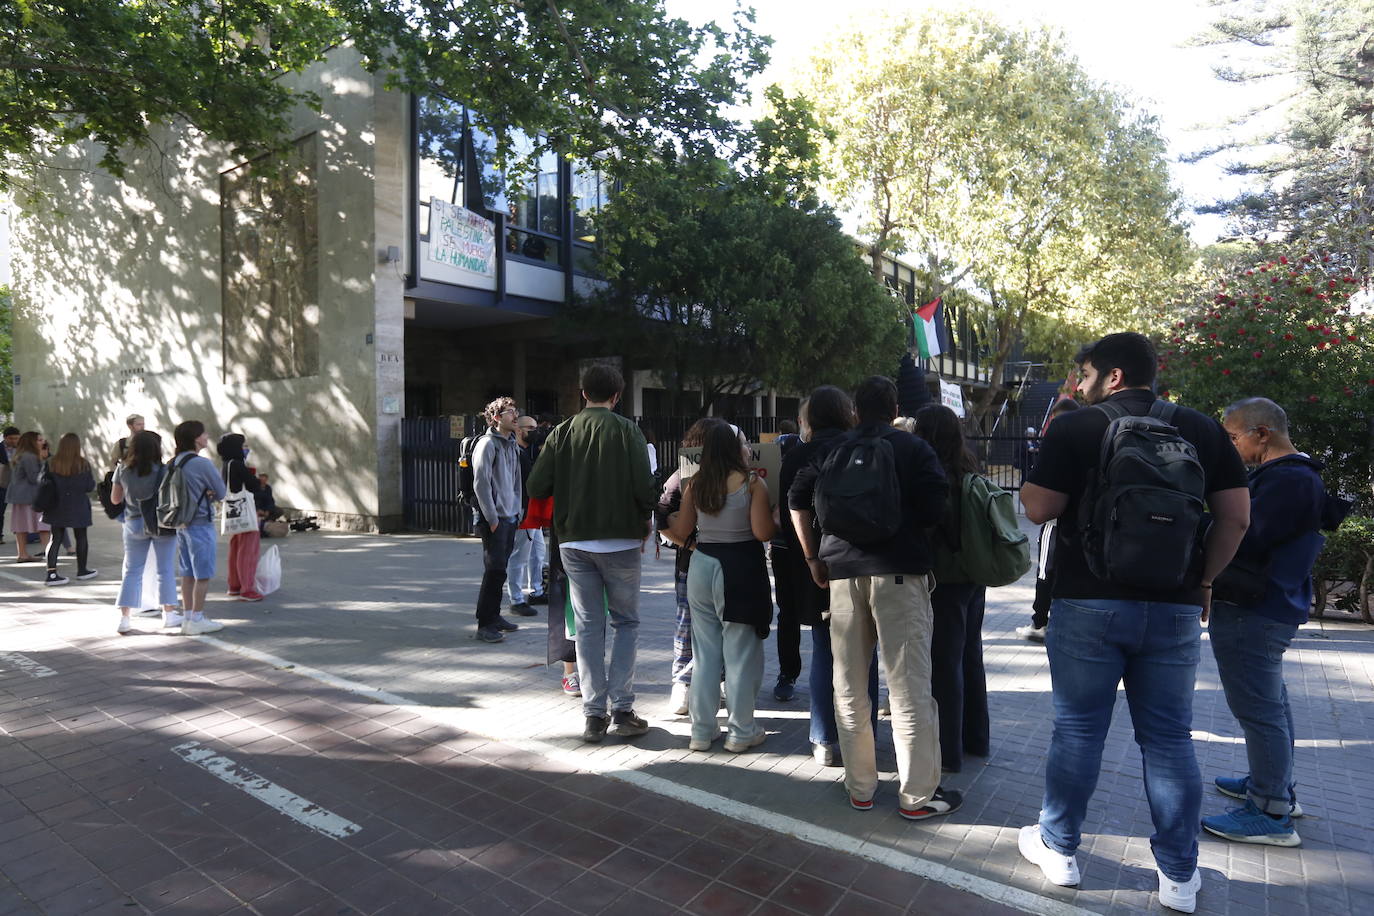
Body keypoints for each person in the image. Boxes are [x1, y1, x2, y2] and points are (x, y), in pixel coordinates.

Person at [1017, 332, 1249, 914]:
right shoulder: (1201, 429)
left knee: (1078, 731)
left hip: (1087, 601)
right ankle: (1178, 877)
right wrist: (1203, 583)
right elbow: (1237, 520)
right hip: (1173, 606)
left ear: (1113, 377)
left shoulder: (1076, 427)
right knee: (1170, 740)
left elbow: (1038, 509)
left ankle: (1060, 849)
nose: (1080, 386)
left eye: (1086, 375)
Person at [789, 375, 958, 820]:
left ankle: (860, 788)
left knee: (848, 685)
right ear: (894, 405)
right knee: (908, 688)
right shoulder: (912, 448)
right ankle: (917, 796)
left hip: (843, 575)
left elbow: (797, 497)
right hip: (899, 574)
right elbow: (937, 506)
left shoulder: (833, 450)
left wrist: (812, 558)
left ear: (856, 410)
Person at [1201, 397, 1348, 847]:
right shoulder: (1292, 476)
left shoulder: (1289, 480)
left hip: (1255, 608)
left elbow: (1243, 534)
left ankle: (1270, 810)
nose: (1231, 446)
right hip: (1266, 605)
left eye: (1233, 437)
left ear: (1261, 433)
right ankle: (1272, 786)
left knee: (1260, 711)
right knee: (1270, 704)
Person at [527, 364, 658, 744]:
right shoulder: (628, 431)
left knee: (587, 627)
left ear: (583, 393)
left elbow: (537, 484)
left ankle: (593, 714)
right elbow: (644, 488)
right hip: (621, 541)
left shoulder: (562, 433)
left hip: (574, 542)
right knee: (626, 623)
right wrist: (648, 519)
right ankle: (622, 708)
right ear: (616, 396)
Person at [778, 388, 878, 766]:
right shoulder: (862, 448)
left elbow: (787, 511)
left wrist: (807, 558)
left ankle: (823, 738)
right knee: (865, 651)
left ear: (811, 418)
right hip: (859, 562)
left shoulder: (795, 457)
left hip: (813, 566)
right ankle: (864, 735)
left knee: (823, 648)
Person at [667, 419, 774, 752]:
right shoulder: (753, 484)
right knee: (740, 652)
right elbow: (762, 533)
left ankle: (701, 730)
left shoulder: (695, 484)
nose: (748, 447)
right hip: (740, 566)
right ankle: (741, 731)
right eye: (743, 442)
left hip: (702, 566)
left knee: (705, 651)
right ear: (733, 449)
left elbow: (683, 531)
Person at [915, 404, 990, 774]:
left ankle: (947, 752)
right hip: (974, 575)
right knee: (969, 657)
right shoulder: (970, 465)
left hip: (944, 579)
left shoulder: (931, 473)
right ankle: (976, 738)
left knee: (944, 663)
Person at [654, 419, 711, 716]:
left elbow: (662, 519)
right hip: (698, 563)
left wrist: (688, 545)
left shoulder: (682, 476)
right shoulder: (682, 478)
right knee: (696, 625)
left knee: (689, 624)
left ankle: (690, 684)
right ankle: (688, 684)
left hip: (693, 563)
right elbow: (661, 519)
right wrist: (690, 546)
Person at [1017, 399, 1080, 642]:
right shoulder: (1090, 445)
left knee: (1046, 573)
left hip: (1055, 524)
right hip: (1080, 526)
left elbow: (1036, 503)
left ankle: (1040, 622)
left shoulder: (1058, 450)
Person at [112, 430, 180, 632]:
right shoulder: (164, 470)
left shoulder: (122, 469)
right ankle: (168, 614)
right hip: (161, 523)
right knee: (165, 569)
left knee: (132, 571)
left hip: (133, 523)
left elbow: (115, 499)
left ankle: (124, 619)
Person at [471, 396, 524, 643]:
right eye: (510, 412)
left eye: (515, 411)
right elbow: (481, 484)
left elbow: (516, 481)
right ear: (496, 418)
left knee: (500, 570)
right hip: (495, 520)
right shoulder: (487, 445)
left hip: (510, 516)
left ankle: (495, 616)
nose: (515, 416)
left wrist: (517, 509)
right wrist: (492, 518)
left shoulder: (511, 443)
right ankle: (485, 623)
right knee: (494, 571)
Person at [172, 420, 228, 635]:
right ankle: (197, 618)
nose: (207, 436)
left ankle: (188, 617)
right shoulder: (201, 463)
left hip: (180, 523)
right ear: (196, 438)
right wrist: (209, 492)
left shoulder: (174, 461)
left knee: (187, 573)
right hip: (200, 522)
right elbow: (221, 492)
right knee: (202, 574)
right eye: (204, 433)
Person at [40, 433, 98, 585]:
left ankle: (51, 574)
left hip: (56, 505)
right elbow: (89, 486)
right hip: (78, 505)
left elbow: (42, 482)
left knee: (55, 539)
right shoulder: (83, 463)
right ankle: (82, 570)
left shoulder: (51, 462)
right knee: (81, 537)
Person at [505, 415, 546, 616]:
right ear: (519, 430)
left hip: (531, 509)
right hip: (523, 510)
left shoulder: (527, 452)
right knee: (520, 555)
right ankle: (516, 599)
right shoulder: (514, 452)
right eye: (530, 428)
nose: (535, 431)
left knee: (538, 552)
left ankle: (536, 591)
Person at [217, 433, 265, 602]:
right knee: (248, 550)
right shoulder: (238, 464)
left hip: (233, 510)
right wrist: (253, 474)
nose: (245, 448)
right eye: (243, 445)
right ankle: (247, 588)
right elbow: (254, 485)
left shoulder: (226, 464)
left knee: (235, 548)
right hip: (246, 510)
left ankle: (234, 585)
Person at [6, 431, 51, 563]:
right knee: (43, 526)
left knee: (21, 527)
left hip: (21, 497)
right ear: (31, 442)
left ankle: (23, 554)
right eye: (39, 440)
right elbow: (35, 478)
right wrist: (44, 460)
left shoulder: (21, 455)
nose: (43, 442)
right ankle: (50, 556)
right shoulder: (30, 457)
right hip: (31, 498)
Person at [0, 426, 19, 544]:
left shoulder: (22, 448)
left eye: (16, 438)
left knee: (22, 511)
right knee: (0, 510)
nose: (14, 441)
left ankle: (24, 534)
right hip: (3, 483)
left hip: (19, 484)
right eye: (11, 439)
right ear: (5, 438)